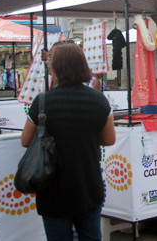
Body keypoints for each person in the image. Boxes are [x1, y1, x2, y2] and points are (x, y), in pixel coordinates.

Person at [21, 43, 116, 241]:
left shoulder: (43, 101)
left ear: (56, 69)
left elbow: (25, 140)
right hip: (88, 185)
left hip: (52, 188)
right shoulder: (99, 100)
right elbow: (109, 140)